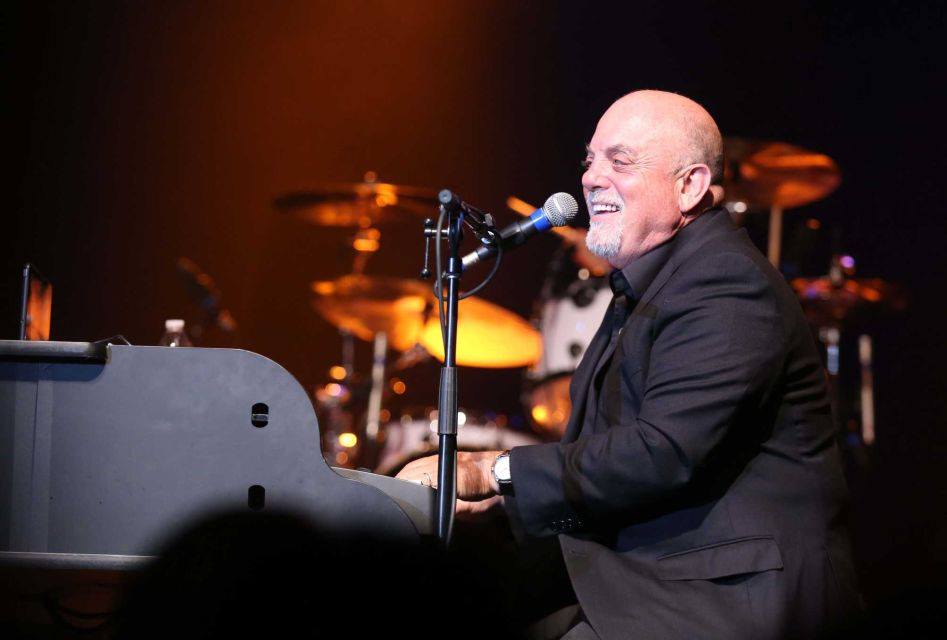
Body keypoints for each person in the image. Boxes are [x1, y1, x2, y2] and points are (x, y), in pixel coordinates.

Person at [398, 90, 862, 639]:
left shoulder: (726, 283)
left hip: (725, 602)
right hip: (651, 581)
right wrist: (502, 501)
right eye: (590, 161)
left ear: (689, 186)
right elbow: (603, 461)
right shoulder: (650, 284)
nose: (591, 178)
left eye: (620, 162)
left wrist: (489, 471)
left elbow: (661, 453)